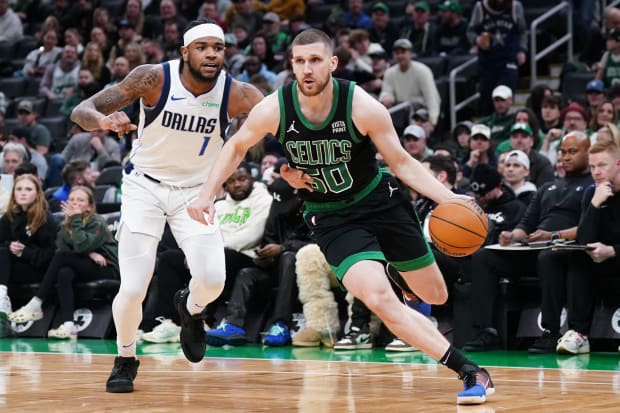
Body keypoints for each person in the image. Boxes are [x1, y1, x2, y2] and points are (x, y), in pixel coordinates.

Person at [187, 28, 495, 406]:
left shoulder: (360, 105)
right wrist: (206, 194)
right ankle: (470, 371)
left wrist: (451, 199)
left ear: (332, 63)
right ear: (292, 66)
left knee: (434, 293)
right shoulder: (275, 108)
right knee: (381, 299)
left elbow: (401, 162)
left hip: (380, 201)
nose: (307, 69)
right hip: (332, 218)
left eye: (315, 60)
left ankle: (396, 271)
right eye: (299, 62)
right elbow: (235, 145)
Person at [69, 21, 264, 393]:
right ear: (185, 52)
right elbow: (82, 109)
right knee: (133, 287)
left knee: (212, 281)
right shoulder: (151, 79)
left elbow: (284, 122)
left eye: (219, 48)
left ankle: (189, 310)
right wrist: (103, 121)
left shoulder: (238, 94)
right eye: (203, 47)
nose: (212, 54)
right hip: (145, 187)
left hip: (197, 190)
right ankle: (126, 358)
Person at [462, 131, 592, 353]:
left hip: (565, 250)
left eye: (572, 152)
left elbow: (588, 229)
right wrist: (512, 236)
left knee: (548, 256)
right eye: (562, 152)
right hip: (535, 248)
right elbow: (526, 224)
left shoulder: (592, 186)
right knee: (483, 257)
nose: (566, 157)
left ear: (588, 153)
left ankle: (550, 332)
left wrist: (552, 236)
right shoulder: (548, 187)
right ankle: (487, 331)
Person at [9, 186, 119, 339]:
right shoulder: (64, 225)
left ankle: (36, 303)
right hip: (84, 265)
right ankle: (69, 325)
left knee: (63, 257)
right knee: (64, 272)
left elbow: (81, 245)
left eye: (80, 200)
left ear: (89, 206)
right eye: (72, 199)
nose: (75, 203)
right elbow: (62, 248)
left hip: (107, 267)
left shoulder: (97, 222)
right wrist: (90, 253)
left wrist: (76, 221)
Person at [557, 142, 620, 354]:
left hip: (616, 257)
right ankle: (579, 335)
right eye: (592, 167)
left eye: (602, 165)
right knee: (577, 257)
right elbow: (584, 238)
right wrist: (594, 204)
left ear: (618, 164)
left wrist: (611, 251)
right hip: (602, 266)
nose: (596, 172)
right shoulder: (592, 194)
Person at [0, 174, 57, 318]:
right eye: (19, 189)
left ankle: (1, 299)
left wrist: (25, 252)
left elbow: (51, 256)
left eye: (28, 189)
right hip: (11, 267)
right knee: (3, 251)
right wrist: (11, 246)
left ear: (37, 193)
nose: (23, 193)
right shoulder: (9, 216)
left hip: (37, 270)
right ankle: (1, 297)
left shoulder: (47, 219)